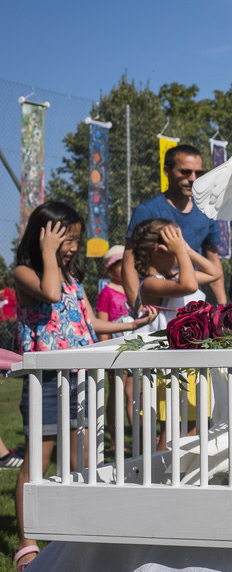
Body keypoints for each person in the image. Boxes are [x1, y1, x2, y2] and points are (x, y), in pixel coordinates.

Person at [12, 202, 156, 569]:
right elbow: (51, 294)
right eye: (66, 238)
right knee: (37, 463)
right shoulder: (26, 273)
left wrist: (131, 324)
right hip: (45, 380)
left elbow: (90, 323)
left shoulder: (73, 280)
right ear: (43, 236)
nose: (74, 246)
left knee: (85, 460)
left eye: (76, 238)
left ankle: (81, 533)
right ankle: (28, 542)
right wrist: (46, 254)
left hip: (81, 377)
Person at [122, 144, 226, 306]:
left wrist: (223, 306)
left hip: (191, 299)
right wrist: (138, 308)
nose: (192, 178)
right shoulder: (147, 210)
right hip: (160, 299)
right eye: (185, 172)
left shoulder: (207, 211)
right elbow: (129, 261)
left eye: (198, 173)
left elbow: (214, 262)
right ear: (167, 171)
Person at [133, 219, 221, 333]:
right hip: (157, 347)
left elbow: (215, 274)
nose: (182, 247)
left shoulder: (176, 277)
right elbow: (189, 286)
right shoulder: (150, 284)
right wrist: (181, 252)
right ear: (160, 251)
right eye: (177, 244)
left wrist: (188, 251)